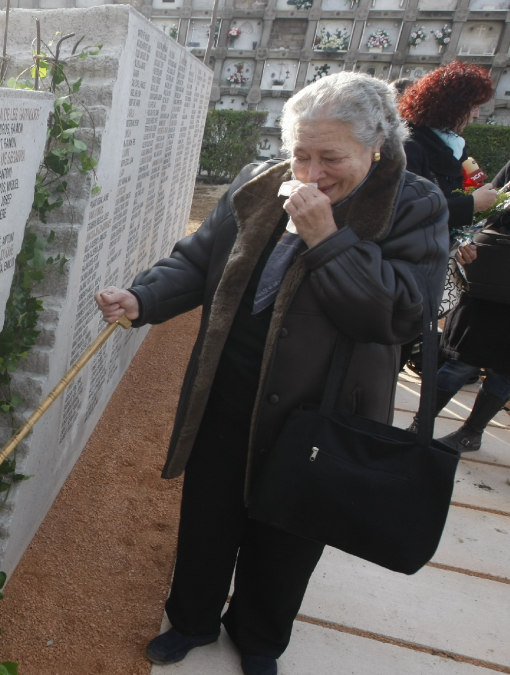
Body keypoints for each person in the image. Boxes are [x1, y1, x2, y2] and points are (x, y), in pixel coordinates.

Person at [96, 72, 449, 675]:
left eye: (331, 157)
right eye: (301, 154)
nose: (311, 173)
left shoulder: (414, 204)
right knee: (209, 514)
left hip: (320, 404)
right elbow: (203, 256)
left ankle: (260, 636)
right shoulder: (262, 182)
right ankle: (192, 620)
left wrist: (326, 237)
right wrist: (144, 299)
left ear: (377, 147)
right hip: (229, 386)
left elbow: (397, 314)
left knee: (288, 531)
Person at [415, 157, 510, 452]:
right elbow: (489, 205)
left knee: (505, 368)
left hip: (494, 278)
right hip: (491, 279)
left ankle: (471, 432)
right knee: (460, 360)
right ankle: (421, 425)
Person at [400, 61, 497, 231]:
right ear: (451, 107)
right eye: (473, 107)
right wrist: (471, 204)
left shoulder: (455, 146)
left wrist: (458, 243)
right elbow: (408, 210)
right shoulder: (409, 145)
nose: (476, 115)